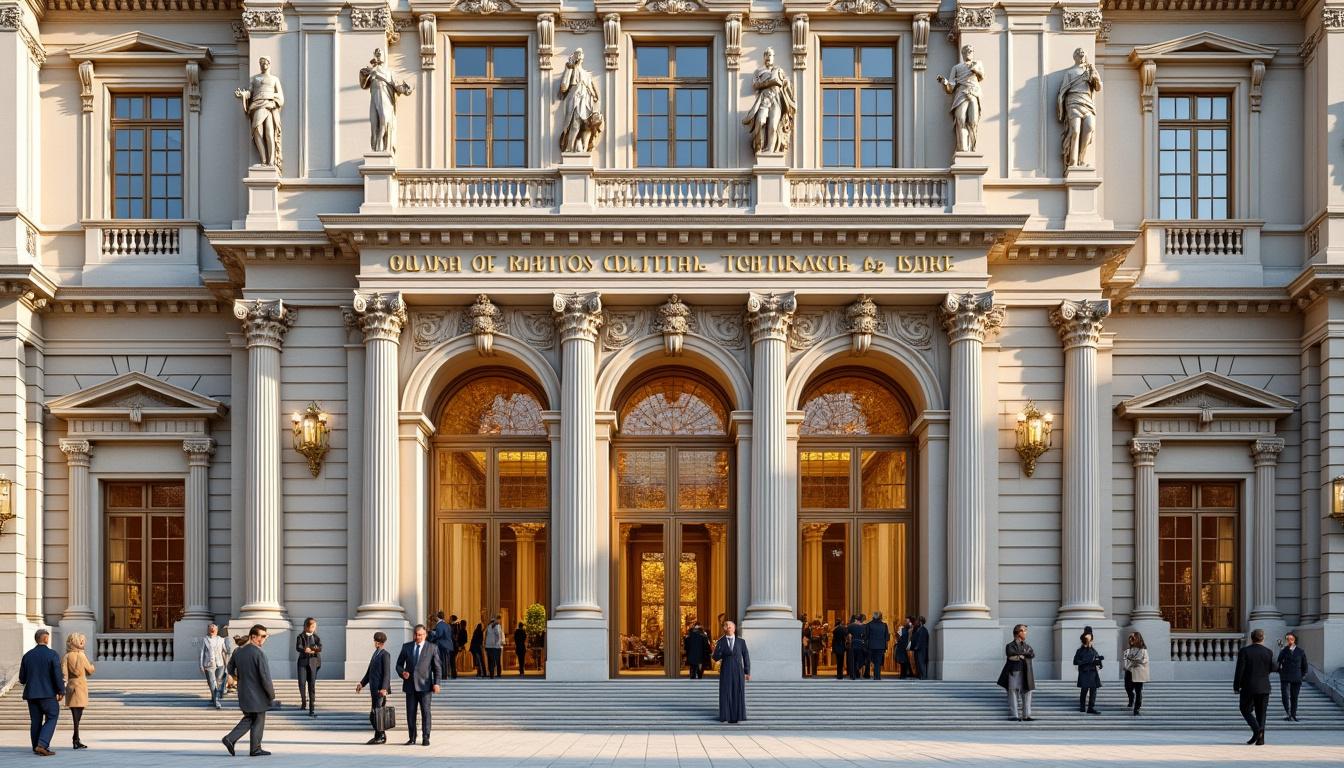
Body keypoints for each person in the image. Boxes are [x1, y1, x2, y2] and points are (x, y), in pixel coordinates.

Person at [222, 624, 275, 757]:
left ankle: (231, 739)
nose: (264, 639)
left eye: (266, 636)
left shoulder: (238, 651)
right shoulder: (259, 653)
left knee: (250, 718)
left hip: (243, 691)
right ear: (253, 637)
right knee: (259, 718)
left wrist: (238, 678)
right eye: (262, 636)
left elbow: (230, 668)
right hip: (258, 693)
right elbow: (265, 677)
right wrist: (271, 694)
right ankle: (254, 748)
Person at [358, 47, 413, 153]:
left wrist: (407, 89)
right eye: (376, 54)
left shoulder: (389, 72)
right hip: (375, 98)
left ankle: (381, 145)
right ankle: (376, 147)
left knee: (385, 120)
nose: (378, 56)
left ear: (384, 56)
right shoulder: (371, 71)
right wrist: (364, 74)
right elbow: (364, 85)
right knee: (374, 122)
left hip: (385, 98)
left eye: (380, 54)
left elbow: (398, 86)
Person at [395, 624, 442, 746]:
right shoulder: (406, 647)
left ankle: (426, 737)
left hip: (425, 687)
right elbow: (398, 665)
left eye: (420, 635)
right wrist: (402, 672)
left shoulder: (432, 647)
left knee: (426, 712)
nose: (418, 637)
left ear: (425, 635)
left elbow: (437, 668)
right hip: (410, 686)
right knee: (411, 713)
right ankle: (412, 738)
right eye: (416, 634)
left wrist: (437, 683)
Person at [742, 48, 796, 154]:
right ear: (764, 57)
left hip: (776, 99)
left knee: (773, 126)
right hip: (765, 99)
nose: (768, 57)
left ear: (773, 57)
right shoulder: (759, 71)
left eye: (770, 55)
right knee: (760, 121)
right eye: (766, 55)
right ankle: (759, 144)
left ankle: (770, 149)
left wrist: (785, 83)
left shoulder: (779, 70)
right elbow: (755, 85)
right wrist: (769, 82)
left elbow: (786, 84)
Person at [20, 628, 64, 756]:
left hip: (31, 694)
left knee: (35, 720)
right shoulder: (52, 654)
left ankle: (36, 746)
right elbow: (57, 675)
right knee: (52, 716)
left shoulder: (27, 655)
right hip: (47, 693)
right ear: (46, 639)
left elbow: (22, 678)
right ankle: (42, 744)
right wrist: (61, 690)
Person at [1056, 47, 1103, 167]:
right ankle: (1073, 162)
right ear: (1075, 57)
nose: (1081, 55)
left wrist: (1094, 76)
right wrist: (1061, 106)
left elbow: (1098, 87)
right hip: (1073, 101)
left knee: (1089, 127)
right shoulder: (1070, 72)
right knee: (1075, 131)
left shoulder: (1090, 70)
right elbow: (1063, 89)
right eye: (1078, 53)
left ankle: (1081, 159)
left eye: (1083, 53)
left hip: (1087, 102)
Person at [234, 57, 283, 169]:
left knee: (269, 133)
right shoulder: (255, 79)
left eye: (265, 63)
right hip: (257, 106)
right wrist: (243, 94)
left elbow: (280, 96)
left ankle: (271, 162)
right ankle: (264, 160)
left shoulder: (274, 79)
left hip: (269, 106)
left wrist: (270, 97)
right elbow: (249, 92)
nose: (263, 65)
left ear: (269, 64)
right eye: (261, 63)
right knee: (257, 132)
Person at [936, 44, 986, 153]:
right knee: (960, 119)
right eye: (966, 51)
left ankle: (972, 148)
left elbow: (981, 76)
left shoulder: (977, 63)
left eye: (970, 51)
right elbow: (951, 87)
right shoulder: (956, 68)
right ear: (962, 53)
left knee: (973, 121)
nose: (968, 52)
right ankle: (963, 148)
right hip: (961, 95)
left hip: (973, 93)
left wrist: (974, 69)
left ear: (973, 53)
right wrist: (945, 82)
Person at [558, 49, 603, 153]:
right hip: (576, 99)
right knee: (575, 124)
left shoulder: (587, 74)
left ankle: (584, 148)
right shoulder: (572, 70)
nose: (580, 56)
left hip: (587, 101)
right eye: (577, 54)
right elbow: (564, 87)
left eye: (581, 54)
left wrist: (594, 98)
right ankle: (570, 147)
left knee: (587, 125)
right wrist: (569, 67)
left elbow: (594, 93)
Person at [1235, 628, 1275, 745]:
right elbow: (1272, 668)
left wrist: (1236, 686)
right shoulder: (1268, 652)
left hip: (1249, 686)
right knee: (1261, 713)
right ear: (1263, 638)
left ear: (1251, 638)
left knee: (1245, 709)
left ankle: (1257, 731)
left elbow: (1240, 670)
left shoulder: (1245, 651)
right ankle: (1260, 738)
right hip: (1264, 686)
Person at [355, 631, 393, 745]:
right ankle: (378, 735)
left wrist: (384, 688)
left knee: (376, 714)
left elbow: (387, 673)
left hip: (380, 690)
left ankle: (381, 736)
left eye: (376, 641)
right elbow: (369, 672)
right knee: (375, 714)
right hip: (374, 689)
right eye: (375, 641)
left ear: (379, 642)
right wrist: (362, 684)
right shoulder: (375, 653)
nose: (375, 643)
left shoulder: (385, 654)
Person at [711, 620, 750, 723]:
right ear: (724, 628)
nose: (728, 627)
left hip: (738, 671)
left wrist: (747, 672)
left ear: (734, 628)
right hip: (726, 670)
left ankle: (738, 716)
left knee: (738, 692)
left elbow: (746, 657)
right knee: (726, 692)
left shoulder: (741, 642)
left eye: (730, 625)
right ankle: (725, 716)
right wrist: (717, 650)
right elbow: (715, 658)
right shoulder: (720, 642)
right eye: (726, 625)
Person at [997, 624, 1036, 722]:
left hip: (1026, 672)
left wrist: (1019, 655)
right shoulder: (1010, 645)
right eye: (1024, 630)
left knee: (1027, 692)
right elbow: (1010, 655)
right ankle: (1014, 715)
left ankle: (1027, 715)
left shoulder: (1027, 646)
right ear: (1018, 633)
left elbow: (1031, 654)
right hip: (1014, 671)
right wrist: (1022, 655)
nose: (1026, 632)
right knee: (1013, 692)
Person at [63, 632, 95, 750]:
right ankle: (76, 738)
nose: (83, 643)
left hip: (71, 685)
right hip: (81, 685)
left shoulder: (66, 656)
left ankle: (76, 738)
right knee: (78, 714)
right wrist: (92, 666)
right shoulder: (82, 656)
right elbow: (90, 670)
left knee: (75, 714)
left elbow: (64, 674)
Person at [1276, 632, 1308, 721]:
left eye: (1291, 639)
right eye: (1287, 639)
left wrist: (1303, 675)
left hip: (1296, 677)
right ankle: (1288, 713)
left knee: (1294, 697)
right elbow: (1278, 662)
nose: (1289, 641)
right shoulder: (1283, 650)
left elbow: (1304, 665)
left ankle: (1293, 715)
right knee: (1284, 696)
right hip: (1285, 676)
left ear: (1294, 640)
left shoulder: (1300, 651)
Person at [295, 617, 321, 716]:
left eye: (315, 626)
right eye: (312, 626)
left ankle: (312, 707)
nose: (314, 628)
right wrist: (305, 649)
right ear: (307, 627)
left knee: (312, 685)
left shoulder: (316, 637)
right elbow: (298, 647)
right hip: (302, 662)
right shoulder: (300, 636)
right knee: (301, 683)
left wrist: (313, 649)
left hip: (313, 663)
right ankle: (303, 701)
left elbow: (320, 647)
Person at [1073, 626, 1103, 714]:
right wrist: (1087, 661)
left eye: (1091, 638)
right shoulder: (1080, 651)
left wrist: (1099, 662)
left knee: (1093, 691)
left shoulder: (1093, 650)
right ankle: (1082, 706)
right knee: (1084, 689)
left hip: (1093, 672)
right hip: (1085, 672)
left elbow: (1098, 661)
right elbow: (1075, 661)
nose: (1090, 640)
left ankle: (1091, 707)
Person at [200, 623, 230, 709]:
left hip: (220, 664)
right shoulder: (205, 640)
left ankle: (214, 697)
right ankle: (216, 701)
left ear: (217, 630)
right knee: (212, 682)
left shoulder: (221, 639)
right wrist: (201, 665)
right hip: (209, 665)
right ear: (208, 630)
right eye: (211, 628)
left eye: (214, 628)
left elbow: (226, 651)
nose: (212, 629)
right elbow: (202, 653)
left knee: (217, 681)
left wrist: (228, 640)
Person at [1122, 632, 1150, 716]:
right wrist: (1126, 665)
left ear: (1137, 639)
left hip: (1138, 672)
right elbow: (1126, 660)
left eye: (1132, 638)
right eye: (1130, 637)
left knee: (1138, 691)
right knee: (1127, 688)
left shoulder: (1143, 650)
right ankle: (1131, 698)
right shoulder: (1129, 650)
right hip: (1129, 671)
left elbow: (1145, 660)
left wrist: (1138, 661)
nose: (1130, 639)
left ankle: (1137, 708)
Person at [429, 611, 455, 681]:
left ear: (437, 617)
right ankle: (446, 675)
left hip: (442, 645)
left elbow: (439, 635)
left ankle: (443, 675)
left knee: (442, 661)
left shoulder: (439, 625)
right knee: (446, 661)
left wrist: (432, 636)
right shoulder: (447, 625)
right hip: (448, 645)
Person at [865, 611, 890, 680]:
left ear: (873, 617)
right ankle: (877, 676)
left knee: (874, 661)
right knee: (878, 661)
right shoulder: (884, 625)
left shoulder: (869, 625)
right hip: (881, 646)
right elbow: (887, 637)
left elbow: (866, 636)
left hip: (871, 646)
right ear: (880, 617)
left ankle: (876, 676)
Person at [847, 614, 867, 680]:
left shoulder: (850, 626)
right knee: (860, 659)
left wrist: (849, 641)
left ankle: (853, 675)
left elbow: (848, 635)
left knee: (853, 660)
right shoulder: (864, 627)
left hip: (853, 644)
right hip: (861, 644)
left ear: (856, 619)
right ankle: (859, 673)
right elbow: (865, 636)